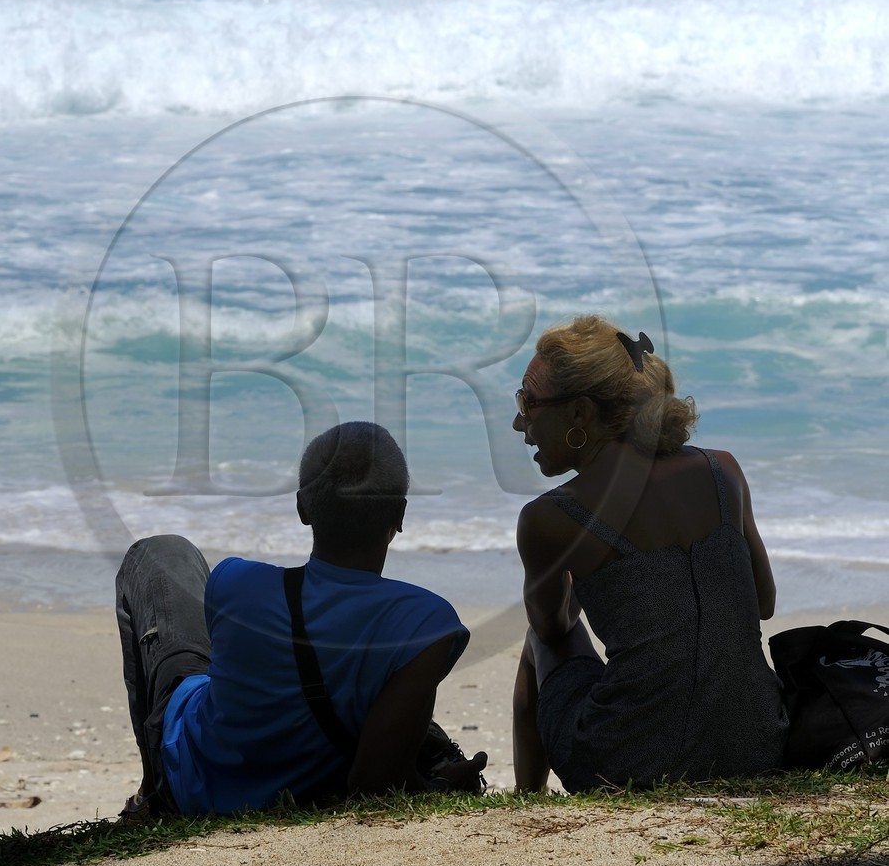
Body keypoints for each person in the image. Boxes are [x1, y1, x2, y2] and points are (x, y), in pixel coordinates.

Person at [116, 420, 488, 817]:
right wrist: (444, 784)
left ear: (302, 508)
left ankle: (151, 788)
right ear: (399, 515)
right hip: (311, 782)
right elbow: (377, 782)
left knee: (160, 553)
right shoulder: (425, 623)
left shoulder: (234, 581)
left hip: (190, 778)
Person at [511, 316, 788, 793]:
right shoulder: (722, 469)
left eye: (527, 402)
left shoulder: (551, 517)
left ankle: (527, 796)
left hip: (621, 761)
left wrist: (588, 572)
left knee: (537, 644)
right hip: (757, 744)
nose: (520, 422)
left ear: (580, 414)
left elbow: (552, 628)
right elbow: (762, 602)